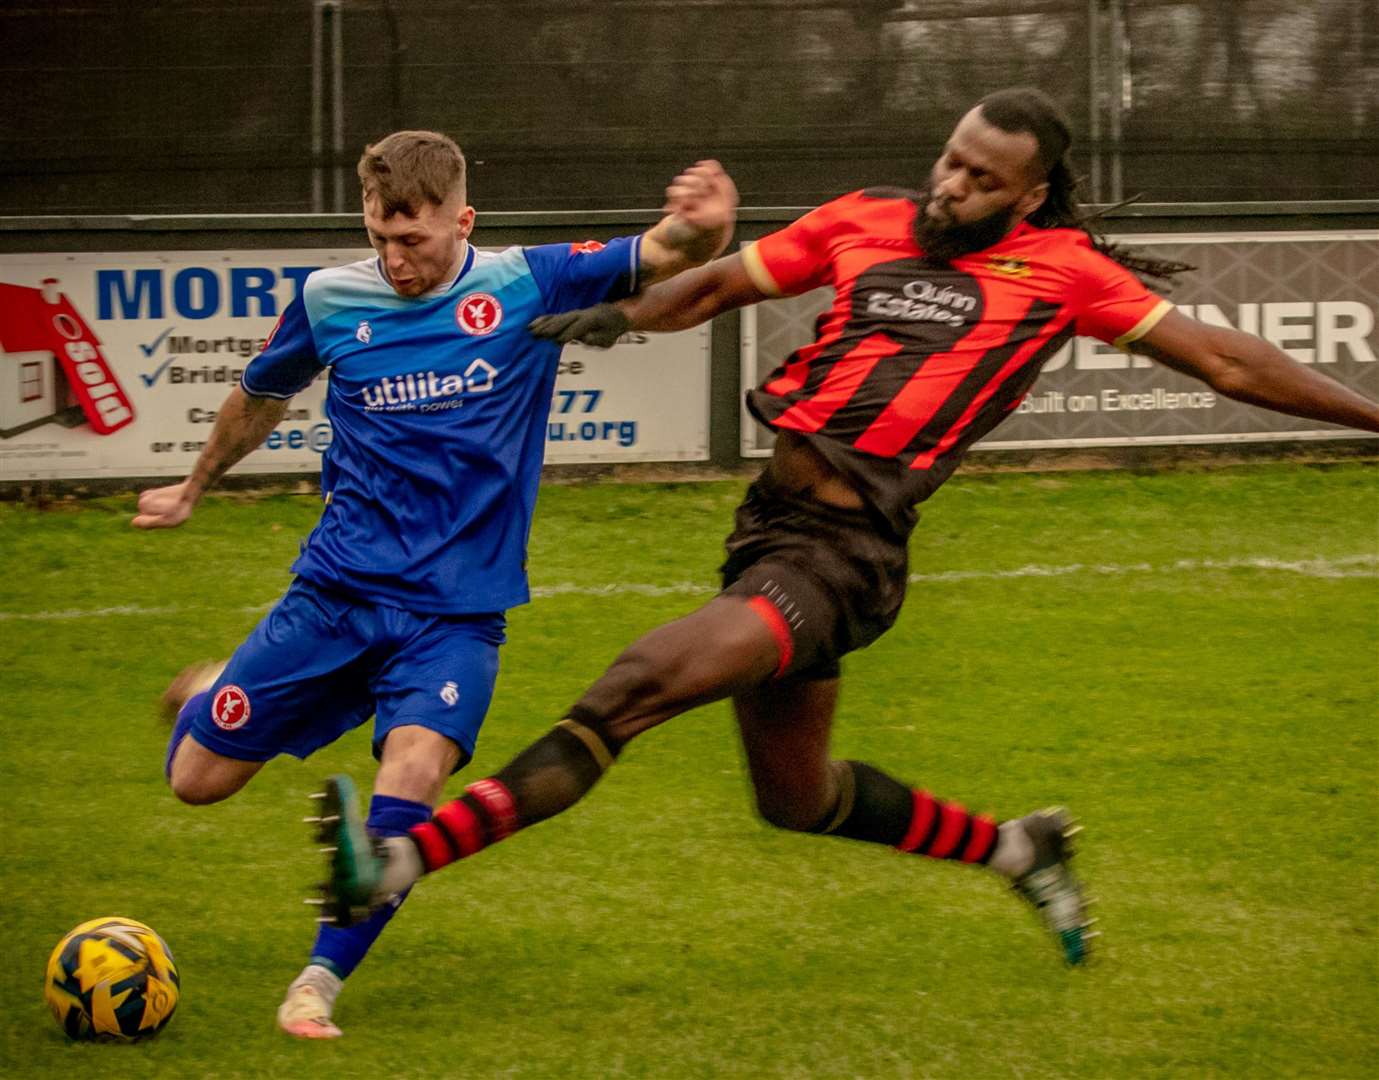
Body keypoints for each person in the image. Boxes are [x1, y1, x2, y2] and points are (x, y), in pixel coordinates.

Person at [318, 88, 1379, 971]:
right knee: (795, 798)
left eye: (980, 180)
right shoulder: (863, 218)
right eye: (950, 162)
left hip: (846, 556)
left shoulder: (1061, 275)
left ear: (1031, 193)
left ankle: (399, 863)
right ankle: (1019, 849)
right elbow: (727, 282)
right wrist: (624, 314)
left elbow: (1228, 361)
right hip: (769, 530)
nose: (951, 187)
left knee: (633, 686)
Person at [132, 130, 739, 1037]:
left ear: (464, 220)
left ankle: (317, 985)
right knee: (196, 782)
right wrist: (194, 482)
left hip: (454, 616)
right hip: (333, 596)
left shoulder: (527, 280)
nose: (394, 259)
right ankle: (215, 688)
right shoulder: (330, 300)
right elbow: (262, 393)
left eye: (412, 239)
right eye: (379, 236)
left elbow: (667, 252)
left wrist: (704, 225)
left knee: (412, 773)